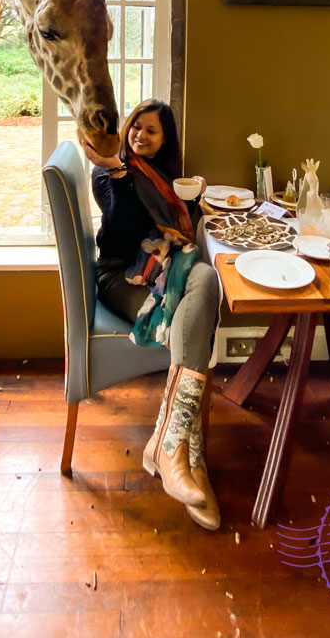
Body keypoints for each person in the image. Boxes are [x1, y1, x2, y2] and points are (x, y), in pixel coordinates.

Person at [80, 98, 221, 530]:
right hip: (123, 277)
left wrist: (193, 203)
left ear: (165, 140)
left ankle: (167, 443)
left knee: (208, 281)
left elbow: (175, 229)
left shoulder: (165, 177)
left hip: (162, 266)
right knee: (195, 319)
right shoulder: (108, 173)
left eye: (150, 131)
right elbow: (121, 226)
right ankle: (188, 460)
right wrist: (118, 170)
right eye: (135, 127)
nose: (139, 135)